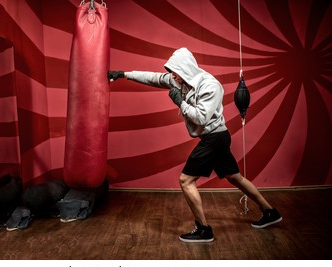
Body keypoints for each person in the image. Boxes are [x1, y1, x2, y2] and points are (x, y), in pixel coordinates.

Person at [108, 47, 282, 243]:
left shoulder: (210, 86)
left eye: (175, 71)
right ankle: (270, 212)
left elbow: (200, 117)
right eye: (171, 71)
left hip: (214, 138)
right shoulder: (178, 79)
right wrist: (124, 74)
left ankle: (203, 230)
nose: (172, 76)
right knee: (235, 177)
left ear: (185, 69)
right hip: (215, 138)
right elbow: (154, 78)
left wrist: (180, 103)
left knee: (186, 180)